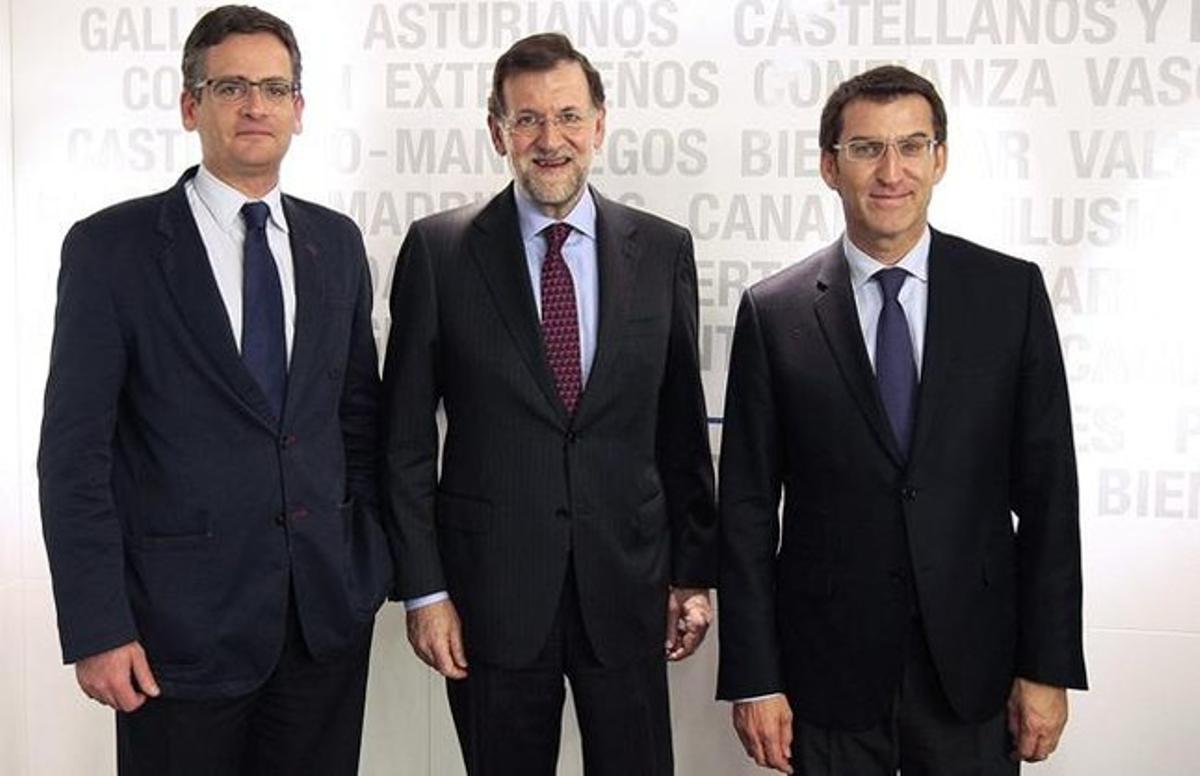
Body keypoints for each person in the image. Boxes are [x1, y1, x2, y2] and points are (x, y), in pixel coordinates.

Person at [37, 6, 391, 774]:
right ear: (191, 105)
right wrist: (98, 625)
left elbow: (356, 419)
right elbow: (75, 456)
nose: (255, 105)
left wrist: (364, 568)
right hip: (175, 635)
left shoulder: (336, 242)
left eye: (274, 88)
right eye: (231, 86)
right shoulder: (111, 249)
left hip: (322, 624)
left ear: (300, 109)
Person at [716, 65, 1087, 775]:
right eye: (866, 149)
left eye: (912, 146)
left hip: (974, 672)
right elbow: (747, 512)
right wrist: (756, 679)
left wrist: (1048, 666)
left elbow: (1049, 497)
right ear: (830, 165)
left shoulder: (1010, 295)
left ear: (939, 158)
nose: (892, 171)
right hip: (826, 677)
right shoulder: (775, 312)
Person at [382, 31, 718, 776]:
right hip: (489, 599)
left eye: (567, 116)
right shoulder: (439, 252)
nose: (549, 139)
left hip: (629, 592)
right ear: (497, 131)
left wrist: (693, 572)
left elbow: (680, 427)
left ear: (599, 124)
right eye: (527, 119)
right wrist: (424, 591)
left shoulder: (662, 250)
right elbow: (402, 442)